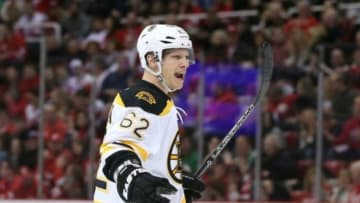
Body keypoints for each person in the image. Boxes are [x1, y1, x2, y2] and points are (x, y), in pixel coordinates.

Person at [93, 24, 205, 203]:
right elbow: (117, 149)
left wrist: (174, 185)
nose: (184, 64)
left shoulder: (158, 100)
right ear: (152, 60)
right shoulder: (145, 100)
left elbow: (147, 156)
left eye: (186, 57)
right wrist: (131, 178)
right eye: (176, 56)